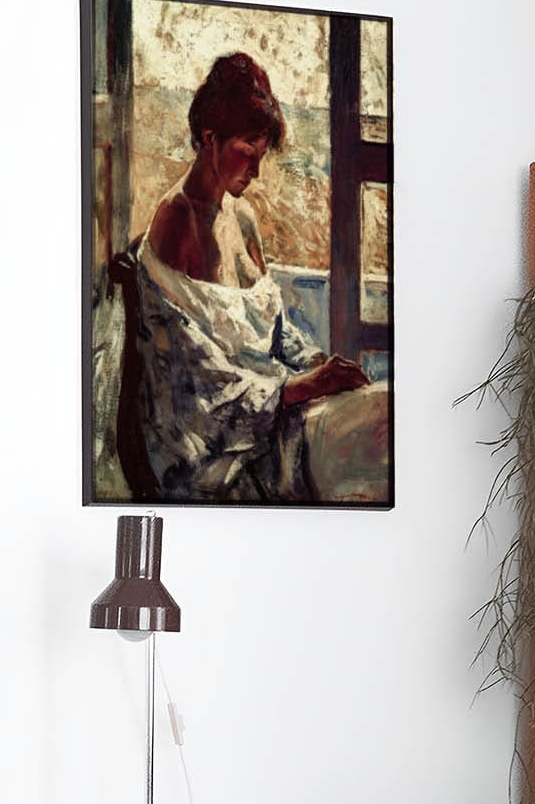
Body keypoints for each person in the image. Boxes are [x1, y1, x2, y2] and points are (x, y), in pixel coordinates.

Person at [114, 52, 367, 501]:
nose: (255, 169)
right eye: (246, 150)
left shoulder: (243, 217)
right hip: (216, 452)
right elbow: (196, 384)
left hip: (275, 410)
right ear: (209, 137)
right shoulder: (175, 222)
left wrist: (317, 365)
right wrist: (304, 387)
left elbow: (277, 332)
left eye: (262, 154)